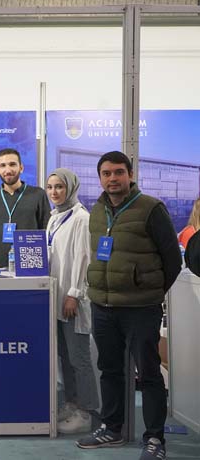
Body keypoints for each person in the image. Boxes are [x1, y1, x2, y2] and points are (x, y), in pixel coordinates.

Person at [76, 151, 182, 460]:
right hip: (103, 305)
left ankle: (155, 438)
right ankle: (112, 428)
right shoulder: (97, 210)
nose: (113, 178)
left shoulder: (151, 208)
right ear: (100, 178)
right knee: (109, 370)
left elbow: (172, 260)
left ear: (130, 175)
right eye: (106, 173)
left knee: (148, 374)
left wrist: (149, 291)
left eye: (118, 172)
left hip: (140, 308)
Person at [45, 168, 99, 434]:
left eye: (59, 187)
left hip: (71, 299)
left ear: (71, 188)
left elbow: (83, 259)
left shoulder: (81, 218)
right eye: (50, 187)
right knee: (64, 357)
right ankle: (72, 403)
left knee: (79, 358)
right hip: (56, 297)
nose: (54, 192)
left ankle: (87, 412)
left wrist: (74, 294)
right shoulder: (54, 217)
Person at [0, 148, 51, 269]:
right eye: (3, 165)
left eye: (12, 164)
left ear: (21, 168)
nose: (7, 170)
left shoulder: (38, 194)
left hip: (30, 267)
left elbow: (46, 231)